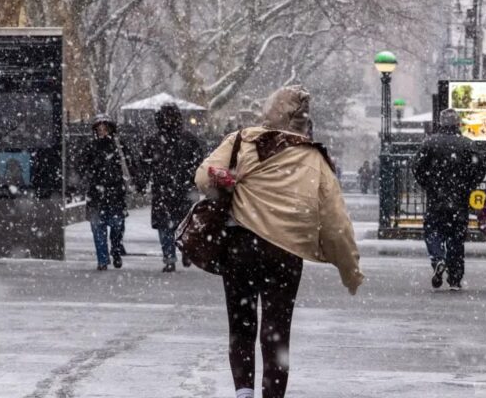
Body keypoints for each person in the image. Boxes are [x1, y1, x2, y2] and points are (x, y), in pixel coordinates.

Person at [195, 85, 364, 398]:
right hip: (284, 252)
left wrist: (221, 177)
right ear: (303, 121)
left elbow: (203, 177)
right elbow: (336, 223)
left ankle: (243, 391)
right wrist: (349, 270)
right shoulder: (313, 159)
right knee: (276, 329)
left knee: (240, 322)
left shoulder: (241, 140)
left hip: (239, 245)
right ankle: (272, 394)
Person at [412, 109, 484, 290]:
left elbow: (417, 167)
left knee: (433, 231)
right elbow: (479, 170)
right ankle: (455, 278)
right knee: (456, 239)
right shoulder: (467, 144)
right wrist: (468, 185)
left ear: (441, 123)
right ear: (457, 124)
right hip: (459, 199)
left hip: (436, 198)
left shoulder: (430, 143)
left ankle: (437, 258)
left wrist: (428, 183)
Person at [137, 104, 204, 273]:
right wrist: (142, 183)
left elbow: (199, 162)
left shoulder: (186, 140)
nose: (168, 120)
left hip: (180, 189)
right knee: (167, 227)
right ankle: (169, 257)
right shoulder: (156, 141)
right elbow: (145, 165)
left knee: (182, 225)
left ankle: (183, 252)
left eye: (171, 117)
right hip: (167, 189)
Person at [78, 114, 135, 271]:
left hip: (115, 193)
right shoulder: (90, 147)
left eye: (105, 128)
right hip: (96, 194)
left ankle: (115, 249)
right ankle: (102, 260)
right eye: (99, 129)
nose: (102, 131)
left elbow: (130, 165)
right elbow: (81, 167)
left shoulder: (119, 146)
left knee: (117, 226)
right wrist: (91, 171)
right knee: (98, 229)